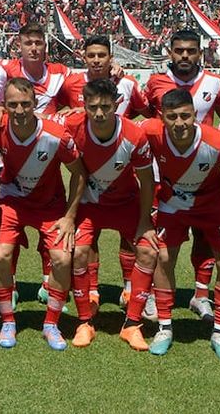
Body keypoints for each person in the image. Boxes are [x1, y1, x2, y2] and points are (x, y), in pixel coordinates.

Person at [142, 88, 220, 361]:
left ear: (195, 115)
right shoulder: (151, 132)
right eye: (172, 117)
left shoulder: (219, 142)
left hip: (214, 205)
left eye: (185, 116)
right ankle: (165, 327)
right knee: (163, 257)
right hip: (173, 204)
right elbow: (119, 128)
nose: (179, 123)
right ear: (162, 117)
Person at [0, 78, 86, 350]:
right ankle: (8, 320)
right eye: (13, 105)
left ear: (35, 104)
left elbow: (79, 173)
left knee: (62, 259)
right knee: (1, 256)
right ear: (4, 106)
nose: (20, 110)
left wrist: (69, 216)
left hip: (50, 206)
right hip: (12, 202)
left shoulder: (56, 135)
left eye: (26, 104)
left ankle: (51, 324)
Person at [144, 29, 220, 322]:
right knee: (162, 246)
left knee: (205, 240)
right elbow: (145, 117)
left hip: (205, 175)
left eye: (191, 50)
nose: (185, 55)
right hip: (165, 177)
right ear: (170, 52)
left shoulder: (215, 84)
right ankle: (155, 299)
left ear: (200, 53)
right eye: (179, 50)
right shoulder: (155, 82)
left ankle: (200, 296)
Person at [63, 79, 158, 350]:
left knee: (149, 251)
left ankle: (132, 324)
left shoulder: (134, 134)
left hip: (126, 204)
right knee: (78, 251)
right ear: (84, 105)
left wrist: (145, 222)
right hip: (90, 205)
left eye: (106, 106)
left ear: (117, 104)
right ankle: (84, 322)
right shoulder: (72, 126)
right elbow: (39, 121)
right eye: (93, 107)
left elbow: (147, 181)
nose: (100, 113)